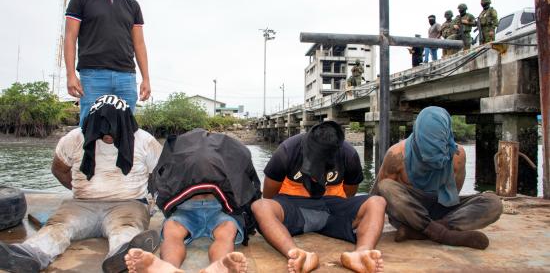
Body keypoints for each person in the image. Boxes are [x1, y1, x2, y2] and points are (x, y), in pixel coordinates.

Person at [0, 95, 163, 273]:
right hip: (82, 204)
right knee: (58, 227)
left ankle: (124, 256)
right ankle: (30, 254)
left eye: (113, 130)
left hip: (129, 204)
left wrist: (149, 198)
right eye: (102, 130)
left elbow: (161, 173)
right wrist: (81, 191)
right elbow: (59, 170)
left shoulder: (144, 140)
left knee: (125, 230)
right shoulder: (74, 138)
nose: (107, 136)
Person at [251, 121, 386, 273]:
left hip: (332, 208)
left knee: (377, 201)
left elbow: (349, 193)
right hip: (294, 207)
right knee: (260, 206)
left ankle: (361, 254)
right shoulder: (288, 150)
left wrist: (342, 211)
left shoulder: (349, 154)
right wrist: (275, 219)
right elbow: (269, 195)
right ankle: (297, 255)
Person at [126, 129, 261, 273]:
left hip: (199, 209)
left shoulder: (182, 155)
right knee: (221, 232)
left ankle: (215, 266)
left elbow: (163, 182)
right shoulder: (227, 156)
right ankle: (170, 267)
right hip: (208, 209)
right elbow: (247, 186)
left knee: (178, 231)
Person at [372, 106, 503, 250]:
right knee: (385, 186)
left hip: (442, 209)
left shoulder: (457, 156)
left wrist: (445, 219)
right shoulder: (396, 155)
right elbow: (378, 197)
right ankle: (444, 234)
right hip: (410, 215)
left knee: (493, 203)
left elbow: (452, 197)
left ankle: (428, 231)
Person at [64, 0, 151, 126]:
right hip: (92, 75)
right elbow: (70, 37)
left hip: (126, 77)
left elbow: (139, 44)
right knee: (90, 128)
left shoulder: (132, 5)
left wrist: (146, 78)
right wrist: (70, 75)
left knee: (125, 129)